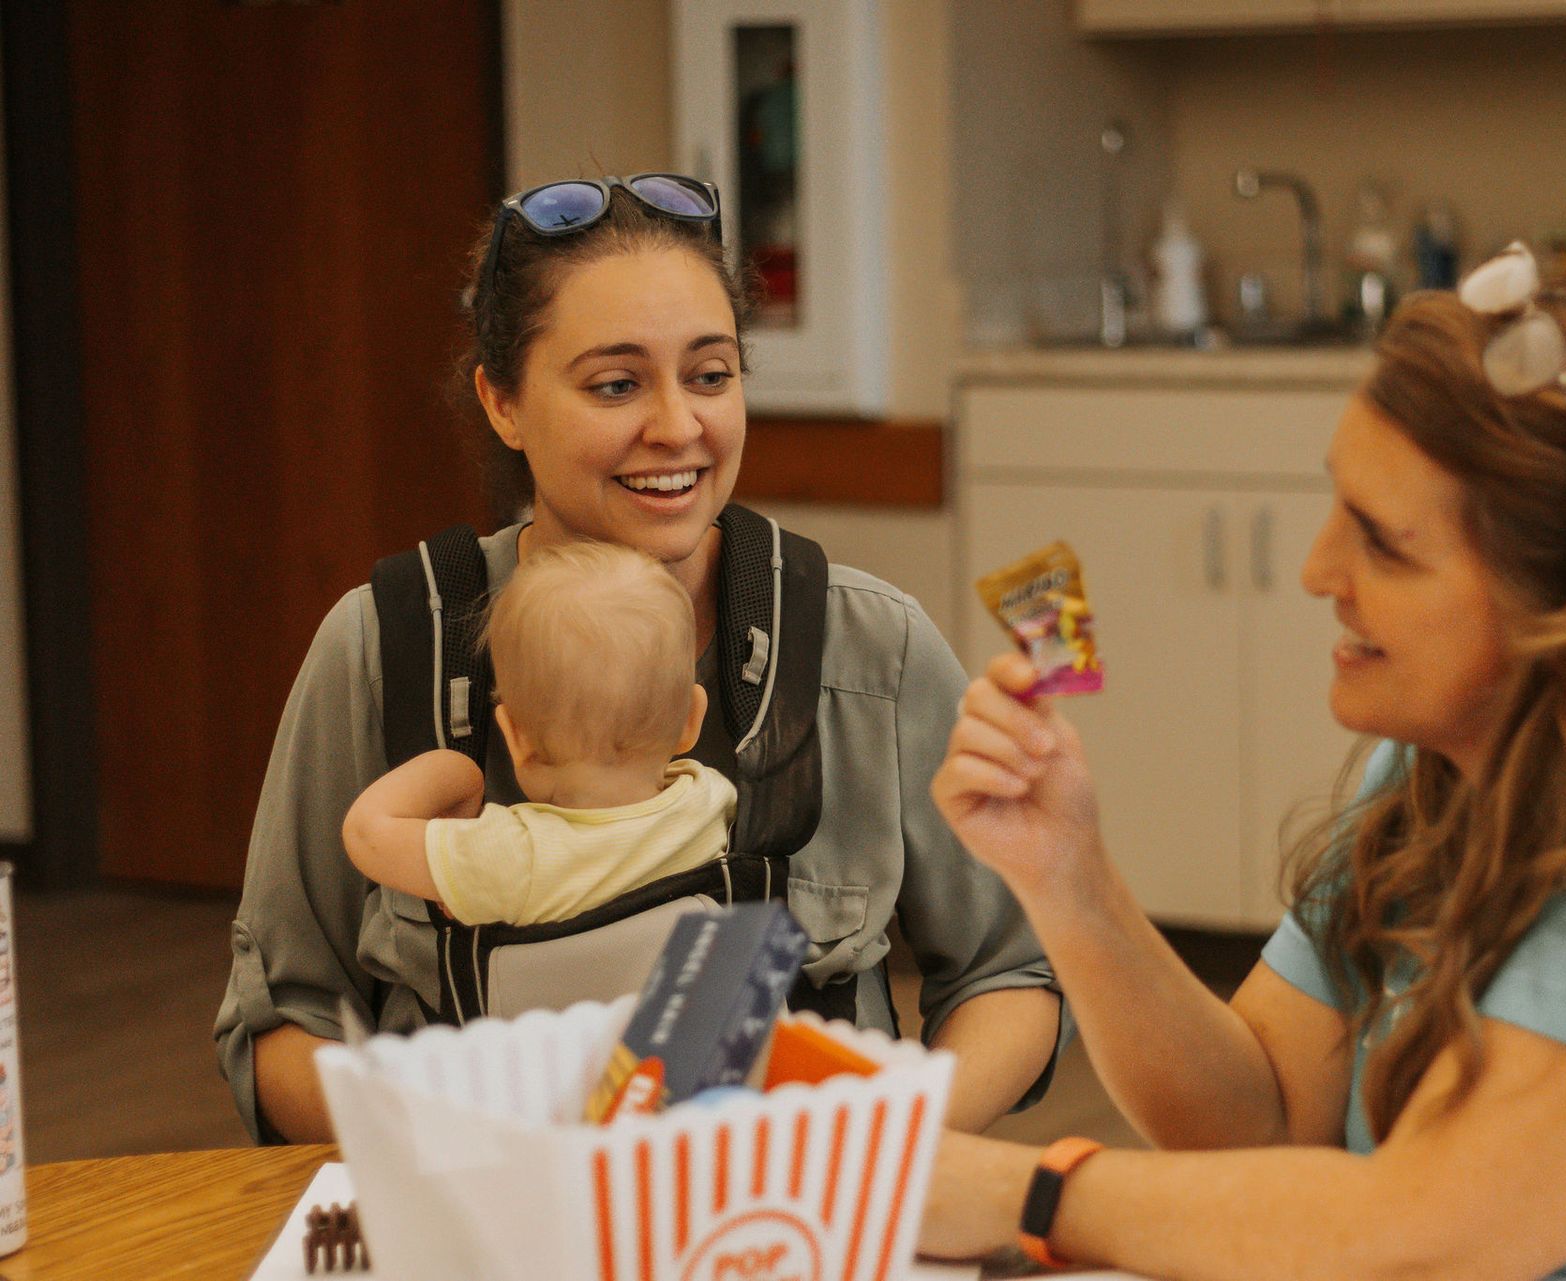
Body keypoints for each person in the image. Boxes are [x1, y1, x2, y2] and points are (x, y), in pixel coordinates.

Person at [922, 247, 1566, 1279]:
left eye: (1384, 545)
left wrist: (1018, 1191)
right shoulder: (1435, 766)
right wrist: (1068, 876)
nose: (1317, 572)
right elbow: (1262, 1125)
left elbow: (1421, 1240)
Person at [216, 173, 1062, 1145]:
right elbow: (284, 1018)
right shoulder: (381, 646)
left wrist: (873, 1149)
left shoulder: (874, 645)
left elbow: (1012, 976)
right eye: (615, 385)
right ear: (503, 402)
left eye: (710, 375)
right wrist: (462, 1153)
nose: (677, 427)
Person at [342, 540, 734, 927]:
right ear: (691, 719)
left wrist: (456, 769)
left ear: (516, 738)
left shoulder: (512, 858)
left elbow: (365, 833)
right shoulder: (710, 802)